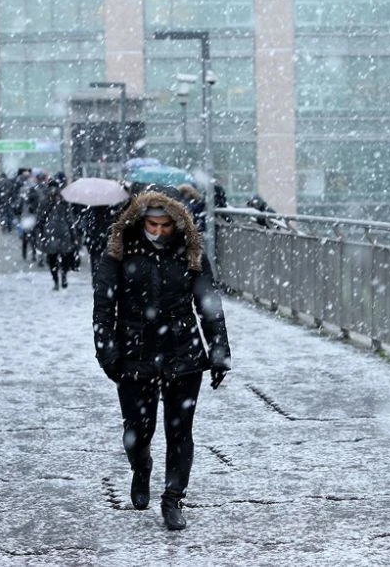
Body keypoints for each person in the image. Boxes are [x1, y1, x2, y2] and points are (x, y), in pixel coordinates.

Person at [92, 190, 232, 531]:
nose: (158, 231)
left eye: (165, 225)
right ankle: (141, 467)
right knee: (137, 432)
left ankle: (173, 498)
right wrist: (108, 355)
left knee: (180, 431)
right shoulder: (120, 251)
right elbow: (103, 308)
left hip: (182, 352)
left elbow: (208, 303)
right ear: (141, 222)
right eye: (152, 224)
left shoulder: (190, 250)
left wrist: (218, 352)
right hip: (134, 354)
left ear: (176, 223)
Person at [33, 179, 79, 290]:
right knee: (65, 256)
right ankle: (64, 275)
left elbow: (40, 219)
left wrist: (39, 232)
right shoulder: (64, 200)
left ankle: (56, 281)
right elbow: (70, 219)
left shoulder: (44, 200)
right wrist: (74, 235)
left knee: (52, 258)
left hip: (50, 232)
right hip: (64, 232)